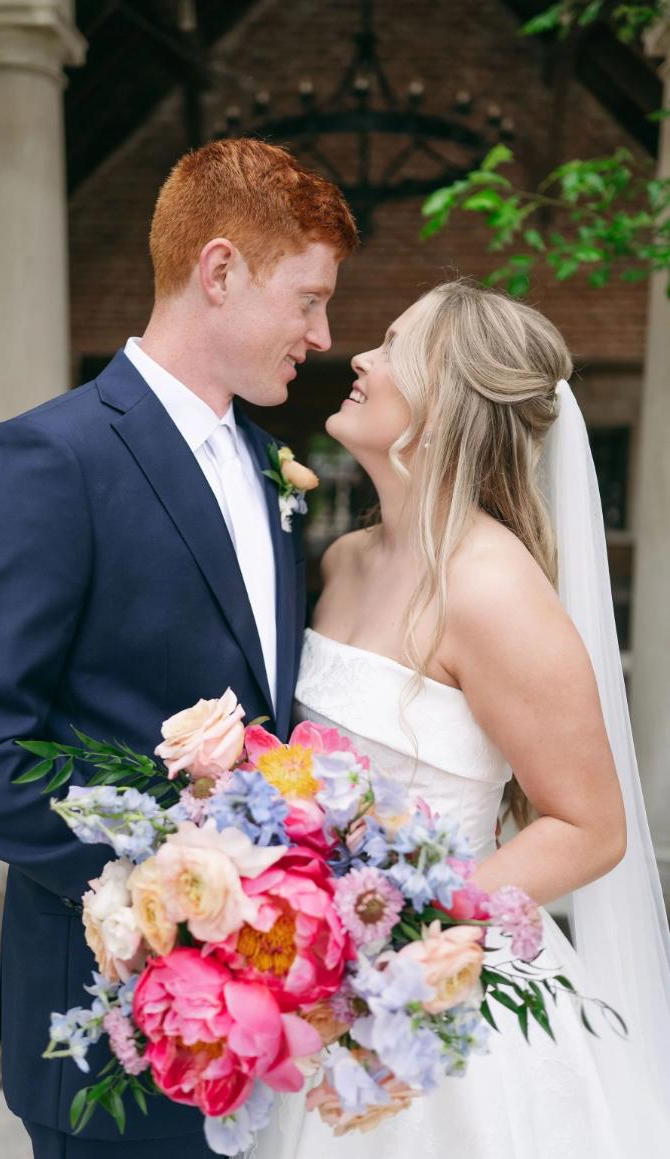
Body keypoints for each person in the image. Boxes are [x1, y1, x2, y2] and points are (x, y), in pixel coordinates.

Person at [0, 138, 357, 1159]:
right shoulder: (48, 457)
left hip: (255, 1031)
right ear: (221, 269)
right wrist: (191, 877)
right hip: (109, 1028)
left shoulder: (263, 459)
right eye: (308, 298)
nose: (321, 334)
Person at [252, 279, 670, 1158]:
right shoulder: (344, 559)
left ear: (445, 406)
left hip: (433, 998)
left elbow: (590, 825)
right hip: (315, 982)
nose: (358, 357)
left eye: (394, 346)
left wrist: (405, 933)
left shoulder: (493, 590)